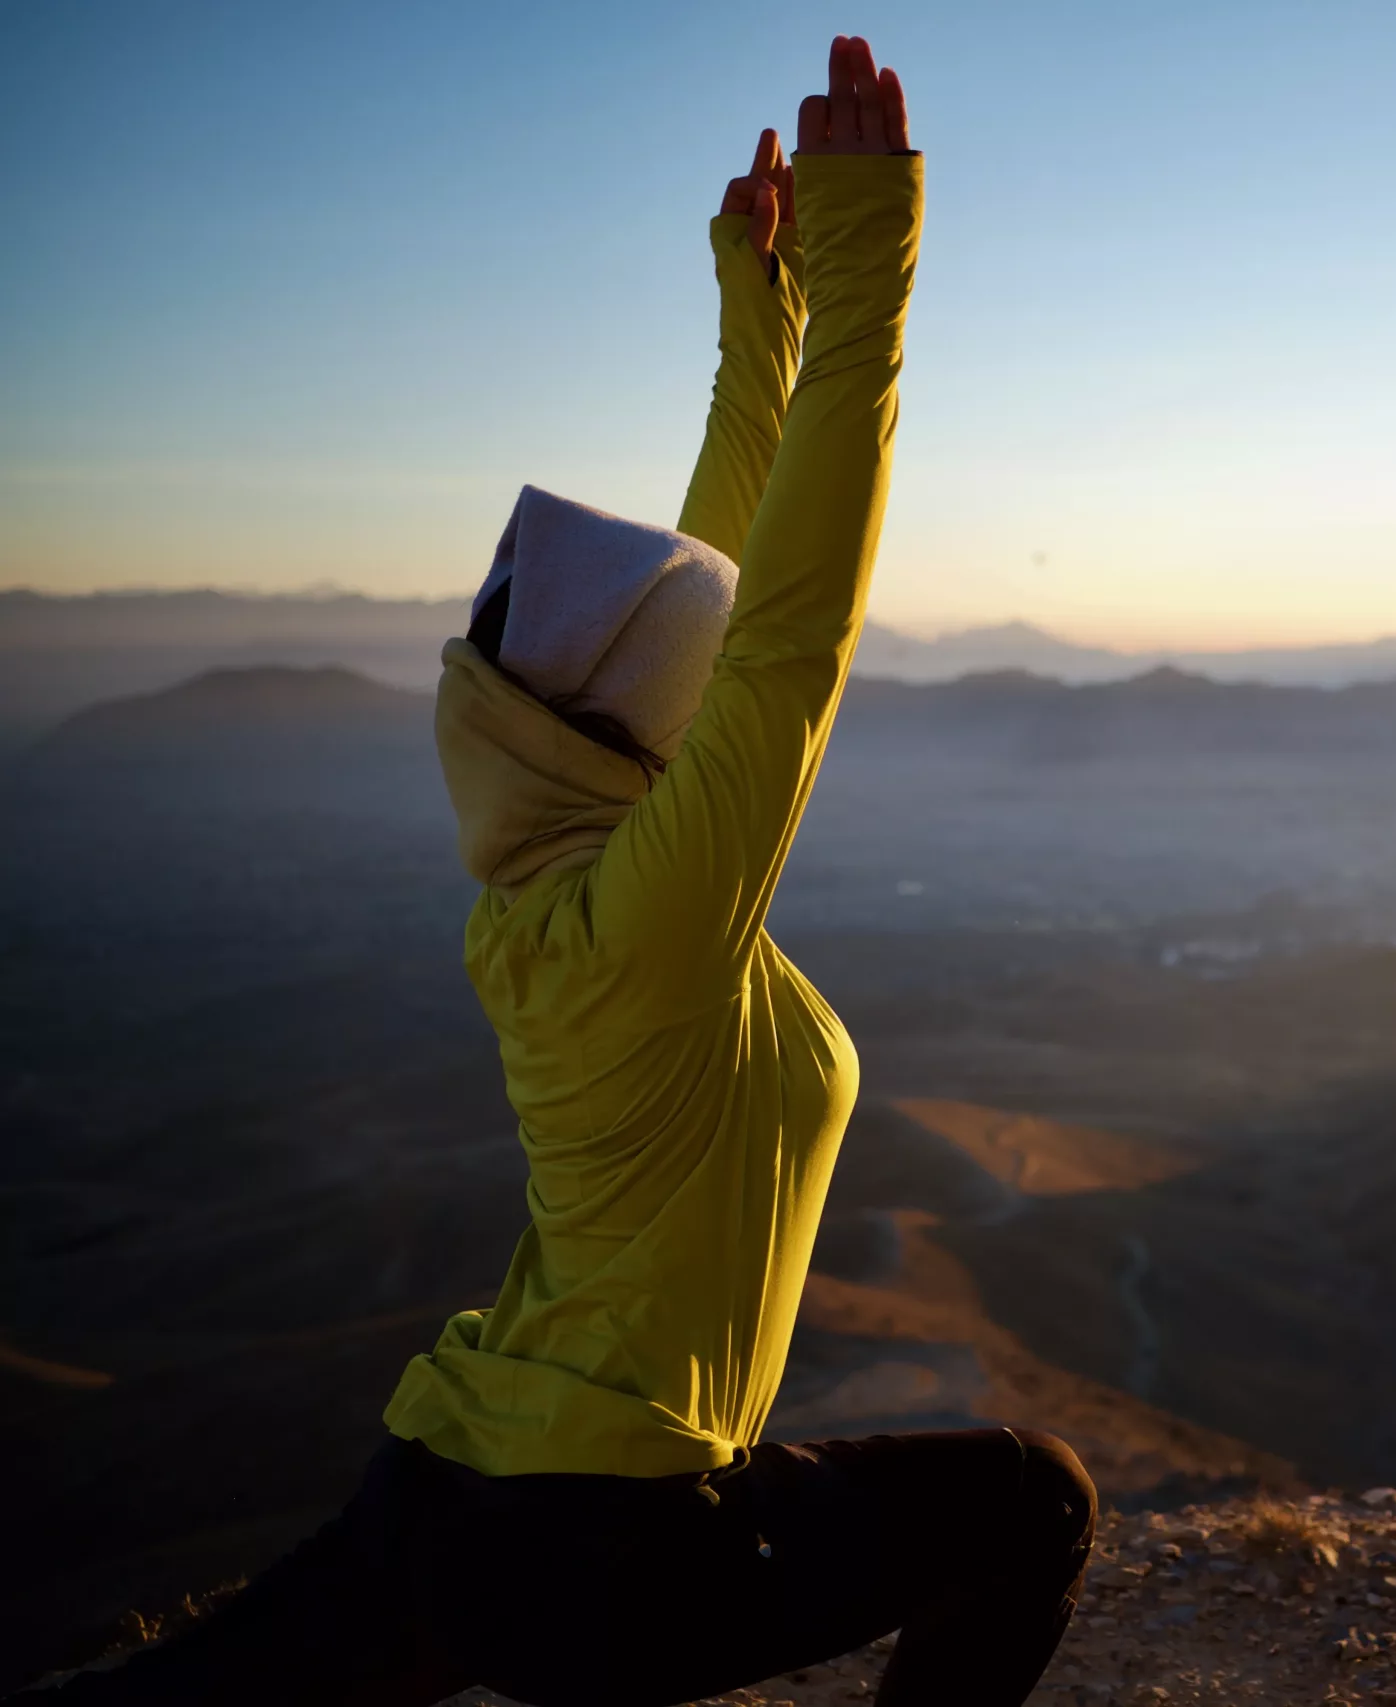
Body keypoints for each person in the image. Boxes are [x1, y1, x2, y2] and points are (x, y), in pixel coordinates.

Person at [23, 31, 1095, 1707]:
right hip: (606, 1553)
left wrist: (766, 328)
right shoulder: (656, 918)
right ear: (634, 733)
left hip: (445, 1495)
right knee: (1033, 1499)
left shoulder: (554, 887)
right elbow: (785, 641)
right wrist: (870, 267)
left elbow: (706, 615)